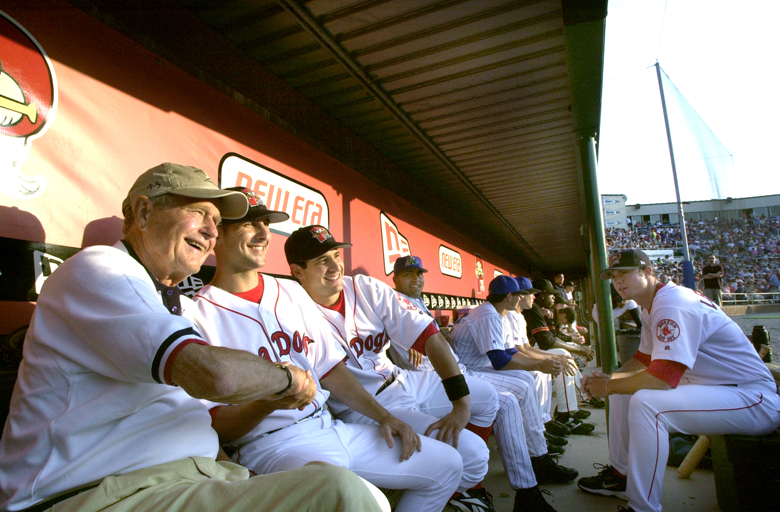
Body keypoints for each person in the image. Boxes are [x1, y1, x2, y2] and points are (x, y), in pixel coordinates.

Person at [0, 163, 388, 512]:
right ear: (143, 211)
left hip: (186, 479)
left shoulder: (166, 302)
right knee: (338, 492)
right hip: (92, 494)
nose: (210, 230)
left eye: (216, 220)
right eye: (197, 211)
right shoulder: (99, 268)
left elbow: (185, 416)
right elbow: (217, 376)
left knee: (353, 492)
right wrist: (288, 378)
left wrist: (232, 467)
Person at [187, 189, 462, 512]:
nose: (263, 232)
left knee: (448, 465)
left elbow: (331, 369)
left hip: (328, 425)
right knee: (368, 505)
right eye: (249, 224)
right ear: (218, 234)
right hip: (271, 444)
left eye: (265, 223)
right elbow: (215, 425)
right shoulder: (196, 315)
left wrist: (384, 417)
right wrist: (268, 401)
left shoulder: (290, 291)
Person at [285, 226, 499, 512]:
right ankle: (436, 490)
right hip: (364, 407)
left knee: (486, 396)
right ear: (298, 271)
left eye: (336, 255)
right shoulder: (290, 309)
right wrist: (385, 416)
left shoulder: (364, 287)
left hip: (402, 380)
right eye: (322, 260)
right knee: (473, 455)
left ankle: (459, 492)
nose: (335, 266)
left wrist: (460, 405)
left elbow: (430, 337)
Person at [579, 249, 780, 512]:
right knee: (624, 392)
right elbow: (644, 358)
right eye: (614, 276)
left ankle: (642, 507)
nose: (617, 282)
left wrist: (606, 387)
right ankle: (621, 476)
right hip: (716, 388)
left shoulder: (672, 302)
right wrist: (612, 379)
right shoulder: (652, 304)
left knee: (648, 404)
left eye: (624, 273)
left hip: (753, 398)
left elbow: (663, 378)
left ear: (647, 272)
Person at [390, 258, 567, 512]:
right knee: (506, 400)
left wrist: (442, 337)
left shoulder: (418, 302)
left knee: (519, 388)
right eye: (408, 274)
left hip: (448, 372)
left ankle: (530, 472)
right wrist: (412, 343)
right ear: (395, 278)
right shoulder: (391, 303)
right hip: (424, 382)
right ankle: (516, 488)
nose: (416, 279)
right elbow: (497, 358)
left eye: (419, 273)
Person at [522, 278, 596, 431]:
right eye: (551, 294)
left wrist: (574, 346)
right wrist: (578, 349)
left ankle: (570, 408)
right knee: (561, 354)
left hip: (528, 350)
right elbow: (547, 342)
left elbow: (551, 337)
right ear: (542, 295)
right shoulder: (533, 309)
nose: (554, 298)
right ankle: (567, 410)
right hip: (523, 353)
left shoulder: (541, 310)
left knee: (562, 354)